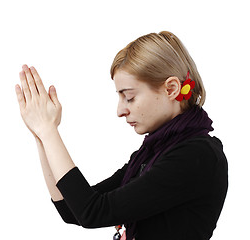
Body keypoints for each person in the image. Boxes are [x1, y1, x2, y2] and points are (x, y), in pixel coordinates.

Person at [15, 31, 228, 240]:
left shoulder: (197, 156)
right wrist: (41, 135)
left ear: (171, 89)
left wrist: (49, 131)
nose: (120, 111)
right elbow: (71, 209)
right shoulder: (151, 153)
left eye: (129, 97)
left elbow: (92, 212)